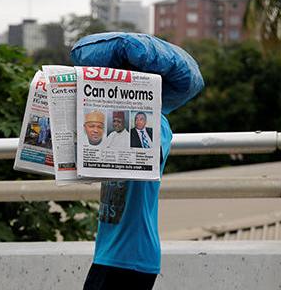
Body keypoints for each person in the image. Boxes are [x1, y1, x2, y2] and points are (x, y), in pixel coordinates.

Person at [71, 32, 204, 290]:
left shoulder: (158, 124)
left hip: (133, 256)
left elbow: (151, 157)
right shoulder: (113, 129)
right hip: (110, 252)